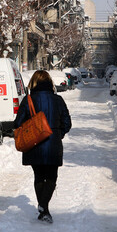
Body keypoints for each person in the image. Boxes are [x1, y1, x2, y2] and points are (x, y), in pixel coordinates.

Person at [14, 70, 72, 224]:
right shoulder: (58, 100)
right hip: (53, 145)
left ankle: (43, 208)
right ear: (50, 82)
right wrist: (58, 134)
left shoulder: (28, 100)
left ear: (33, 83)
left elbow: (17, 124)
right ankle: (44, 207)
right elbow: (67, 123)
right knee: (52, 176)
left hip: (34, 145)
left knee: (39, 176)